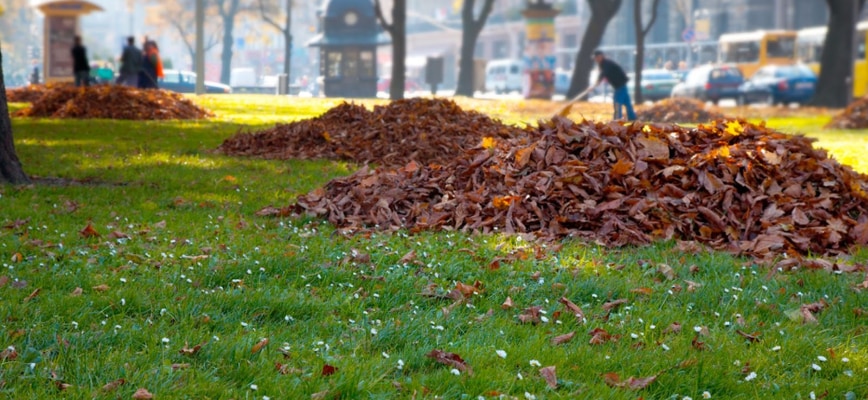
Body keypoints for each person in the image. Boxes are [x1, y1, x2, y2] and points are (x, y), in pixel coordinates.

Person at [590, 49, 636, 121]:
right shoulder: (604, 64)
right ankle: (632, 117)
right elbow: (603, 73)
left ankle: (617, 119)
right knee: (627, 102)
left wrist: (597, 82)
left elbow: (604, 73)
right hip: (621, 84)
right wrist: (597, 82)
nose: (596, 59)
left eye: (596, 57)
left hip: (620, 85)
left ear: (601, 56)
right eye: (595, 58)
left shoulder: (606, 63)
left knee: (617, 102)